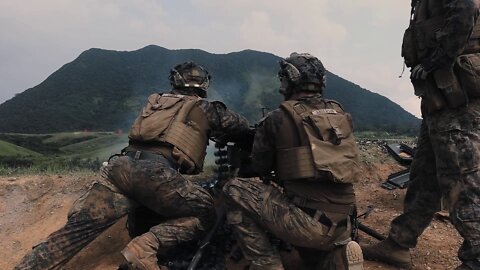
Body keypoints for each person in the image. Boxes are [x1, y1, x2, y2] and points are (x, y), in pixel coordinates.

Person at [14, 62, 250, 270]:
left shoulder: (157, 103)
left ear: (175, 82)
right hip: (155, 175)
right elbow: (241, 127)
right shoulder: (205, 108)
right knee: (205, 211)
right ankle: (145, 247)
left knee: (75, 232)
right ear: (203, 85)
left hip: (120, 168)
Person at [362, 1, 480, 269]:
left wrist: (436, 60)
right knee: (425, 173)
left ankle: (476, 258)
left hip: (457, 100)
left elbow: (466, 9)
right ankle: (399, 242)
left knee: (459, 179)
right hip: (441, 99)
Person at [222, 52, 364, 270]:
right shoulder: (339, 113)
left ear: (289, 80)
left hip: (307, 225)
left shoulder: (277, 118)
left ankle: (267, 265)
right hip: (343, 223)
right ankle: (336, 258)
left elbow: (261, 167)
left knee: (234, 190)